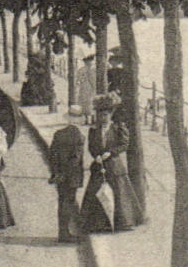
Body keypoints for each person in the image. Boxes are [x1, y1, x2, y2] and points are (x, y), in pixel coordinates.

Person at [83, 93, 138, 233]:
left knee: (118, 193)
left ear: (110, 115)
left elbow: (124, 144)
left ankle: (122, 223)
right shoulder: (93, 130)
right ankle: (98, 224)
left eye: (106, 115)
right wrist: (96, 156)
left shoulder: (117, 128)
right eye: (101, 115)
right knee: (96, 192)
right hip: (99, 166)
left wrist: (111, 153)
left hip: (114, 165)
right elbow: (91, 147)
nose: (103, 118)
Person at [47, 106, 87, 243]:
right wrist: (66, 173)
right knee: (69, 202)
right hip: (72, 175)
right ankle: (65, 234)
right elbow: (75, 159)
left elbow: (52, 154)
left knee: (62, 201)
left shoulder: (58, 134)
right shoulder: (80, 137)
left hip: (60, 175)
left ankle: (62, 231)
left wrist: (57, 172)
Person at [75, 54, 97, 124]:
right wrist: (79, 83)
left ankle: (93, 119)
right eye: (87, 61)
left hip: (93, 88)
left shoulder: (95, 70)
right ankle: (86, 120)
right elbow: (78, 79)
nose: (89, 63)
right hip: (84, 88)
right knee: (85, 104)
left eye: (90, 61)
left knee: (92, 104)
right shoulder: (81, 70)